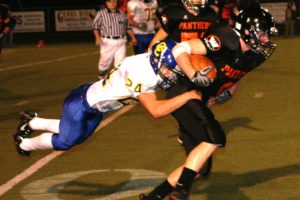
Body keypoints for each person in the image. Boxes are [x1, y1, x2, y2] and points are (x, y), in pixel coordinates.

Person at [140, 5, 277, 200]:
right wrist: (193, 75)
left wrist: (227, 92)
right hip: (184, 92)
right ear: (247, 30)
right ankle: (181, 191)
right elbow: (181, 48)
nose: (266, 40)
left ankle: (154, 197)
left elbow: (237, 74)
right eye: (263, 34)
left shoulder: (255, 56)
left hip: (198, 100)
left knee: (200, 167)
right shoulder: (226, 38)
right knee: (216, 138)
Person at [12, 40, 202, 157]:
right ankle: (23, 143)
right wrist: (188, 95)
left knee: (76, 136)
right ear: (158, 62)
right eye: (169, 70)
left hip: (96, 105)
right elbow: (156, 110)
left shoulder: (149, 59)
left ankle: (31, 122)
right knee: (65, 142)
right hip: (82, 105)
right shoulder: (143, 75)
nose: (171, 75)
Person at [148, 0, 219, 179]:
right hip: (179, 72)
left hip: (200, 68)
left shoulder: (210, 14)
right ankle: (194, 161)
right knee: (193, 114)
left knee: (201, 106)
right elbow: (155, 43)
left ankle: (191, 149)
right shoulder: (174, 13)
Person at [92, 0, 137, 79]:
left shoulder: (122, 13)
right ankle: (100, 77)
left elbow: (127, 27)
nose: (112, 3)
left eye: (114, 1)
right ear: (106, 3)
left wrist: (133, 37)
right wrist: (97, 37)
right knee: (104, 62)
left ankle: (118, 80)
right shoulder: (101, 13)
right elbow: (95, 26)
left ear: (116, 2)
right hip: (108, 41)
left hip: (121, 41)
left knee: (120, 63)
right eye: (110, 2)